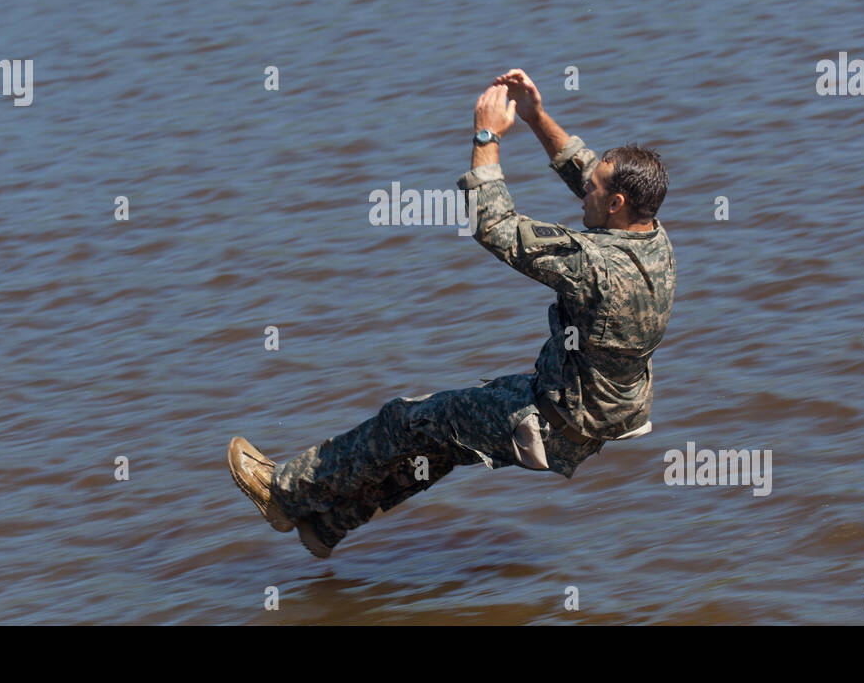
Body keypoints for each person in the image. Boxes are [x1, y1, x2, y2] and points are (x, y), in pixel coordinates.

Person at [228, 68, 675, 558]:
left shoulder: (595, 266)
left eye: (593, 189)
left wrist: (487, 136)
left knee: (406, 419)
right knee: (439, 438)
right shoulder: (652, 237)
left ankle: (286, 492)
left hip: (555, 422)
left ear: (615, 203)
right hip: (589, 409)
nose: (583, 189)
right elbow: (585, 169)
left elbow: (494, 226)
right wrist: (535, 116)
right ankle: (327, 525)